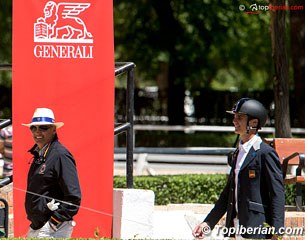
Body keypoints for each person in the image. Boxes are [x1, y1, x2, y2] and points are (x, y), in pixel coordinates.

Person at [192, 98, 285, 239]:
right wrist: (208, 223)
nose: (234, 121)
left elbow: (277, 192)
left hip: (256, 227)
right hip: (235, 226)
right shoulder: (238, 152)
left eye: (240, 117)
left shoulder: (265, 152)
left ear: (253, 123)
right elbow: (228, 193)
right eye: (234, 117)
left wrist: (278, 230)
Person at [22, 107, 82, 238]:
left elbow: (73, 197)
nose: (37, 132)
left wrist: (53, 223)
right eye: (33, 128)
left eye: (43, 127)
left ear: (54, 130)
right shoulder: (40, 154)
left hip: (53, 228)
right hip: (37, 225)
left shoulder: (60, 155)